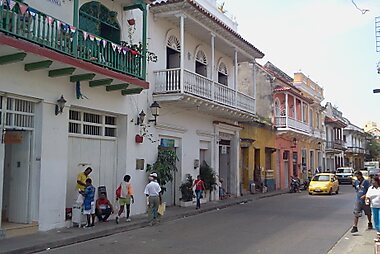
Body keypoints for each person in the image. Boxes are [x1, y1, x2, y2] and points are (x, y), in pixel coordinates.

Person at [365, 176, 380, 242]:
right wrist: (367, 200)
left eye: (373, 181)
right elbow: (367, 196)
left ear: (376, 181)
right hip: (374, 206)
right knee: (376, 220)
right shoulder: (370, 188)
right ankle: (378, 233)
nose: (372, 182)